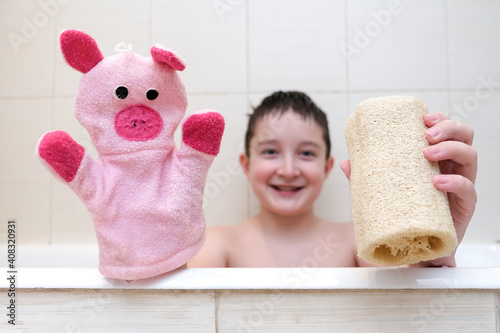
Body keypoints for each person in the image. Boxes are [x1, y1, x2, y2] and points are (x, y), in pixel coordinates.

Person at [188, 91, 477, 268]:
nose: (288, 170)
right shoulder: (218, 244)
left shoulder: (358, 243)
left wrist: (432, 244)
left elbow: (407, 307)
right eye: (271, 151)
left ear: (327, 167)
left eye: (306, 153)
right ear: (247, 165)